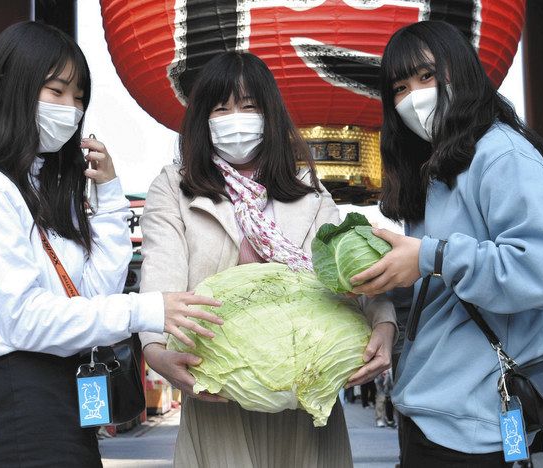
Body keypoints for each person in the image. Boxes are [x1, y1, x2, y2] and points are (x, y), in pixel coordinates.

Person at [0, 21, 222, 467]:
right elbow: (25, 320)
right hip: (19, 399)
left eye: (79, 97)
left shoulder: (43, 188)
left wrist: (109, 197)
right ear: (14, 88)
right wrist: (147, 309)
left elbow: (92, 295)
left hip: (63, 395)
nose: (71, 109)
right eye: (56, 91)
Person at [139, 51, 397, 467]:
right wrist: (155, 352)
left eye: (248, 106)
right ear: (202, 120)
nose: (234, 118)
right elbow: (160, 278)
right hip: (217, 395)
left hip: (307, 398)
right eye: (220, 108)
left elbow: (354, 276)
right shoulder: (176, 188)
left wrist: (384, 324)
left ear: (269, 115)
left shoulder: (309, 193)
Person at [350, 21, 543, 467]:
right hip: (427, 412)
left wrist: (431, 255)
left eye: (427, 76)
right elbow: (430, 291)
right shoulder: (433, 172)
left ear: (461, 73)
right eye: (399, 87)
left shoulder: (501, 155)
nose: (413, 96)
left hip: (481, 424)